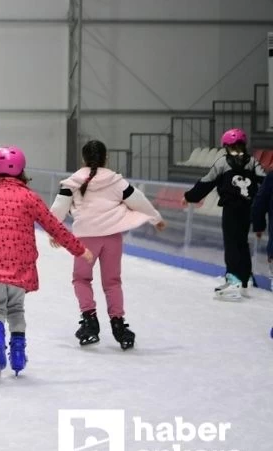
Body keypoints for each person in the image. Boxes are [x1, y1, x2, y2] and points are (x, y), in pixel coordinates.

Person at [0, 146, 92, 375]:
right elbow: (54, 226)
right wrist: (79, 249)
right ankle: (17, 348)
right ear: (22, 171)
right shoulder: (30, 197)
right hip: (19, 267)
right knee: (15, 309)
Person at [48, 140, 165, 350]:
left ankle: (90, 322)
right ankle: (119, 326)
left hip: (85, 239)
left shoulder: (73, 182)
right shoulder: (116, 181)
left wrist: (54, 231)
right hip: (112, 237)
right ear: (106, 158)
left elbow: (59, 207)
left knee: (81, 279)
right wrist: (155, 218)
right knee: (112, 282)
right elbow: (138, 200)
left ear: (83, 159)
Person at [183, 128, 265, 300]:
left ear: (226, 147)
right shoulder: (253, 162)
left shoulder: (223, 163)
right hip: (247, 208)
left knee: (232, 243)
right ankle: (245, 279)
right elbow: (264, 182)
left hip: (231, 208)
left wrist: (189, 197)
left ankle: (234, 278)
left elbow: (207, 182)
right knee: (241, 242)